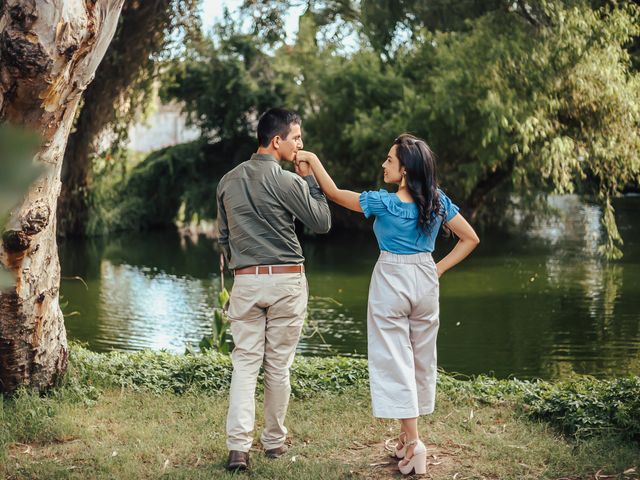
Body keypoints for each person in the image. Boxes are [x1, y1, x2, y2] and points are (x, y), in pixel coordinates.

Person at [297, 134, 479, 475]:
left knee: (395, 361)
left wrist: (312, 159)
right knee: (419, 359)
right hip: (425, 278)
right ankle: (404, 439)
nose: (384, 164)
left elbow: (334, 194)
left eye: (389, 160)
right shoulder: (437, 201)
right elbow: (471, 238)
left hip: (392, 279)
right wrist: (436, 269)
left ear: (405, 170)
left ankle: (414, 443)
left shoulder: (384, 203)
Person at [217, 108, 331, 471]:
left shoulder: (227, 181)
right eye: (296, 137)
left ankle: (238, 450)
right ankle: (274, 444)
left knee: (245, 365)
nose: (301, 144)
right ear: (277, 140)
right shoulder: (289, 181)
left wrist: (243, 266)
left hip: (246, 280)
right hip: (286, 280)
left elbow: (223, 238)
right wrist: (311, 179)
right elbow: (322, 222)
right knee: (278, 367)